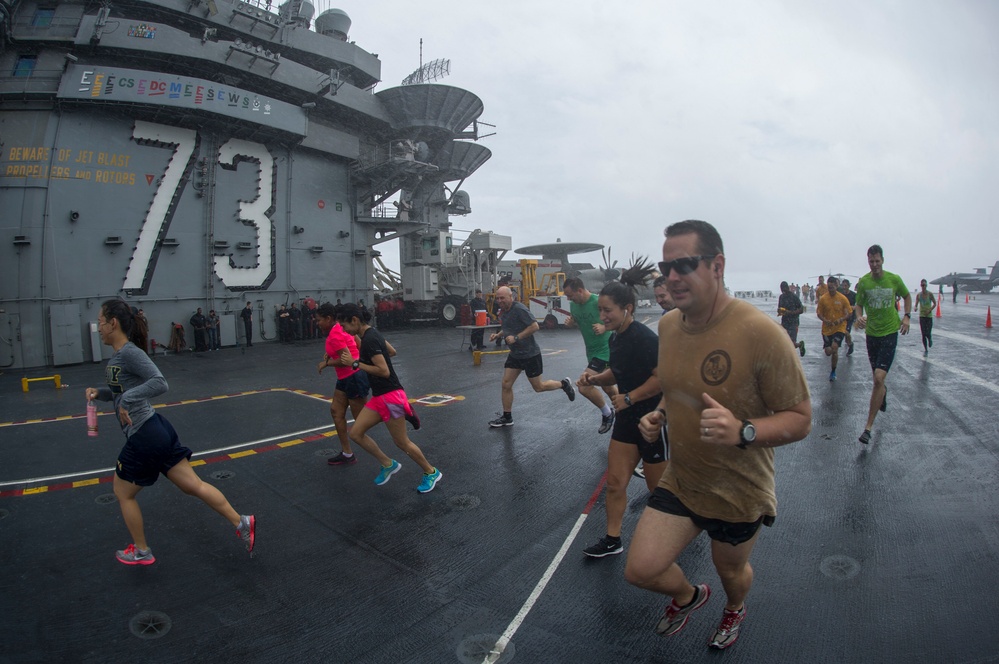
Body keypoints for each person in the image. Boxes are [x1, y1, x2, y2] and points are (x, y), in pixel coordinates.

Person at [625, 220, 811, 651]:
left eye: (685, 264)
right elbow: (678, 386)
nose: (671, 277)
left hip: (738, 491)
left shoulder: (760, 332)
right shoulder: (669, 326)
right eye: (665, 266)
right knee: (641, 570)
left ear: (717, 266)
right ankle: (689, 596)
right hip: (685, 480)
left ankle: (733, 609)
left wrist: (743, 430)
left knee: (731, 573)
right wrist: (659, 414)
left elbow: (801, 419)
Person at [85, 300, 255, 566]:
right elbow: (123, 392)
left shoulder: (129, 352)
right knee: (193, 486)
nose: (99, 328)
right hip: (156, 430)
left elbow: (159, 383)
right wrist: (101, 393)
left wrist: (127, 399)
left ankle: (141, 551)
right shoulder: (119, 356)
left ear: (113, 323)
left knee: (123, 492)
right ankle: (241, 522)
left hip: (144, 435)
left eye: (101, 322)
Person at [578, 260, 667, 558]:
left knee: (659, 490)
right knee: (615, 482)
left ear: (627, 307)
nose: (602, 316)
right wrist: (595, 377)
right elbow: (618, 372)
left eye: (607, 311)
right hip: (627, 420)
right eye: (601, 310)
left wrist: (629, 398)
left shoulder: (644, 338)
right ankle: (613, 539)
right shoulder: (615, 337)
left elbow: (662, 378)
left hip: (652, 421)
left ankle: (676, 531)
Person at [337, 303, 441, 493]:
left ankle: (431, 471)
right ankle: (387, 464)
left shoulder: (369, 340)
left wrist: (356, 363)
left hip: (391, 396)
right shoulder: (372, 334)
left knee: (402, 442)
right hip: (379, 397)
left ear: (354, 320)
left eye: (344, 325)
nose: (343, 329)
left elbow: (384, 371)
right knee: (356, 433)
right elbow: (392, 351)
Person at [487, 286, 575, 428]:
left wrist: (516, 337)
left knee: (539, 387)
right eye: (497, 298)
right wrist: (498, 335)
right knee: (506, 384)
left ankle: (564, 384)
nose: (499, 300)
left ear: (511, 297)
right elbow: (509, 326)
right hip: (515, 355)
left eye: (502, 298)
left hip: (530, 354)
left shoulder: (520, 309)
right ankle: (507, 417)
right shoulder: (504, 312)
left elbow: (535, 326)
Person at [854, 244, 911, 445]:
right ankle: (882, 393)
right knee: (878, 379)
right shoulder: (864, 283)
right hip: (872, 335)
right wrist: (859, 317)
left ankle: (868, 428)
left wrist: (906, 317)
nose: (875, 264)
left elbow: (907, 296)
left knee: (879, 377)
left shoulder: (894, 279)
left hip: (889, 332)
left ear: (883, 260)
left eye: (877, 261)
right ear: (868, 261)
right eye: (871, 261)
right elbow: (858, 305)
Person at [316, 303, 370, 466]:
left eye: (319, 320)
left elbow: (345, 360)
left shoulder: (335, 335)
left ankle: (397, 413)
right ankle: (347, 453)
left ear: (328, 319)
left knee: (362, 422)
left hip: (353, 377)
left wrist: (327, 363)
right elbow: (358, 343)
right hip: (345, 378)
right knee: (336, 411)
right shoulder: (341, 327)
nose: (317, 323)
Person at [562, 277, 617, 434]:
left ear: (580, 290)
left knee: (584, 386)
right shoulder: (574, 305)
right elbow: (577, 320)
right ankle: (626, 410)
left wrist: (604, 327)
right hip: (591, 352)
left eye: (570, 295)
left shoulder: (597, 302)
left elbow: (618, 318)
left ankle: (608, 413)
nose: (568, 298)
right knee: (607, 387)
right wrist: (571, 323)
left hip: (605, 350)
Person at [815, 276, 852, 381]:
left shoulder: (842, 298)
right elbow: (819, 313)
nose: (831, 287)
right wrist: (825, 320)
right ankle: (831, 351)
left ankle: (833, 371)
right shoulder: (823, 299)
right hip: (827, 329)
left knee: (834, 348)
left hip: (839, 327)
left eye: (833, 285)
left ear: (836, 286)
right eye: (829, 286)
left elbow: (849, 313)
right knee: (828, 352)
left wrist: (841, 319)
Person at [777, 281, 806, 357]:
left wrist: (791, 312)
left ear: (787, 287)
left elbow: (802, 309)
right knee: (784, 342)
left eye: (784, 288)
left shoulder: (794, 296)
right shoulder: (781, 297)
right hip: (785, 322)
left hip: (794, 322)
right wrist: (780, 311)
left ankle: (800, 345)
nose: (783, 290)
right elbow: (780, 308)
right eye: (782, 289)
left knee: (791, 343)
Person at [915, 279, 936, 354]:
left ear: (926, 286)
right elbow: (916, 303)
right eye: (922, 285)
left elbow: (934, 303)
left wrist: (930, 310)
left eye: (924, 285)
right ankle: (926, 349)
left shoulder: (930, 294)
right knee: (923, 333)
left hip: (929, 316)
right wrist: (915, 307)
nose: (923, 287)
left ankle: (930, 339)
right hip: (922, 316)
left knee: (928, 332)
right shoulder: (919, 295)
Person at [838, 279, 857, 355]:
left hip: (850, 316)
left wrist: (853, 307)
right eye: (843, 286)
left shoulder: (853, 295)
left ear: (849, 286)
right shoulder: (841, 295)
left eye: (846, 286)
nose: (844, 287)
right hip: (842, 316)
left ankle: (850, 345)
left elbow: (858, 305)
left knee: (846, 332)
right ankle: (850, 344)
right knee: (844, 333)